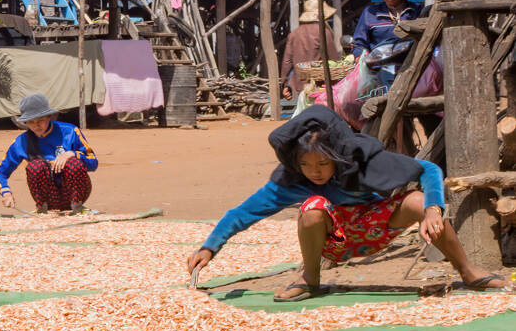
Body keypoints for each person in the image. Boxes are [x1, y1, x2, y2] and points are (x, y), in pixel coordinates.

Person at [186, 105, 508, 301]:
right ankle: (310, 280)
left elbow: (429, 169)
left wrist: (432, 209)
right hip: (335, 240)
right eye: (306, 165)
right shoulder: (294, 179)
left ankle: (467, 272)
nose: (314, 172)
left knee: (418, 201)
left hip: (376, 229)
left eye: (322, 165)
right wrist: (209, 247)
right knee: (312, 206)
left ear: (338, 157)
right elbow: (243, 213)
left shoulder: (366, 162)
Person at [0, 94, 98, 214]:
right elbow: (0, 171)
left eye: (41, 120)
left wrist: (72, 154)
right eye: (31, 122)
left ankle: (77, 207)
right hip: (49, 198)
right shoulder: (21, 142)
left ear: (49, 117)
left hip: (76, 192)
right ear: (25, 122)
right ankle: (42, 208)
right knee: (35, 166)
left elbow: (93, 163)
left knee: (73, 162)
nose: (36, 125)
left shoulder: (70, 131)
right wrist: (6, 193)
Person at [351, 0, 420, 58]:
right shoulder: (370, 13)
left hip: (412, 64)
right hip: (378, 66)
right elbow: (359, 44)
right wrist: (361, 56)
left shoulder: (416, 10)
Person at [280, 0, 343, 98]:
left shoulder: (294, 34)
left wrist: (284, 84)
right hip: (319, 85)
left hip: (298, 85)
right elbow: (334, 60)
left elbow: (287, 62)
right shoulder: (323, 32)